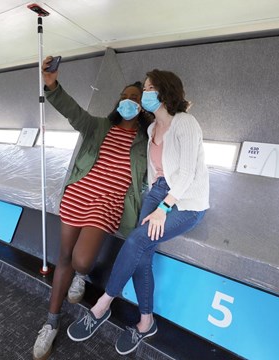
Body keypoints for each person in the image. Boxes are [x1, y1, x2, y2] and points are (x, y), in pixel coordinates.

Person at [66, 69, 210, 355]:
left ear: (165, 91)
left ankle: (102, 306)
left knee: (136, 241)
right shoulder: (150, 129)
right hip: (157, 191)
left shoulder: (185, 123)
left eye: (149, 88)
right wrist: (153, 199)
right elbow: (155, 171)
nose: (145, 93)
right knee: (142, 256)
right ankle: (146, 322)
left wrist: (163, 209)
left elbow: (187, 173)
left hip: (185, 200)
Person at [33, 56, 152, 360]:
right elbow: (74, 113)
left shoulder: (146, 141)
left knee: (82, 261)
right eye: (123, 97)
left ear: (143, 106)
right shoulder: (99, 126)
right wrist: (52, 85)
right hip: (79, 193)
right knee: (63, 257)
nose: (127, 101)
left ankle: (80, 275)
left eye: (134, 98)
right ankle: (52, 322)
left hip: (108, 205)